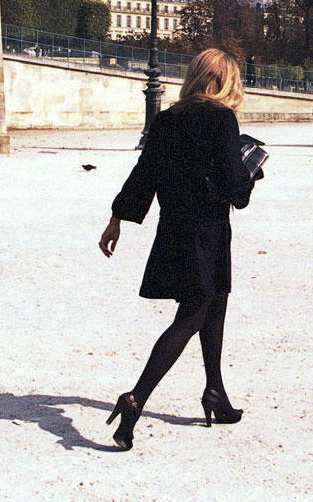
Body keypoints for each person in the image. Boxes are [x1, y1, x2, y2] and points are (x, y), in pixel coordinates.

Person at [97, 48, 257, 452]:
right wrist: (251, 174)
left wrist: (117, 217)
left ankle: (215, 392)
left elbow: (144, 174)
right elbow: (237, 189)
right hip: (208, 230)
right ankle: (136, 397)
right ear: (222, 81)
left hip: (174, 229)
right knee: (192, 315)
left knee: (215, 303)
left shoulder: (167, 120)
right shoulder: (221, 118)